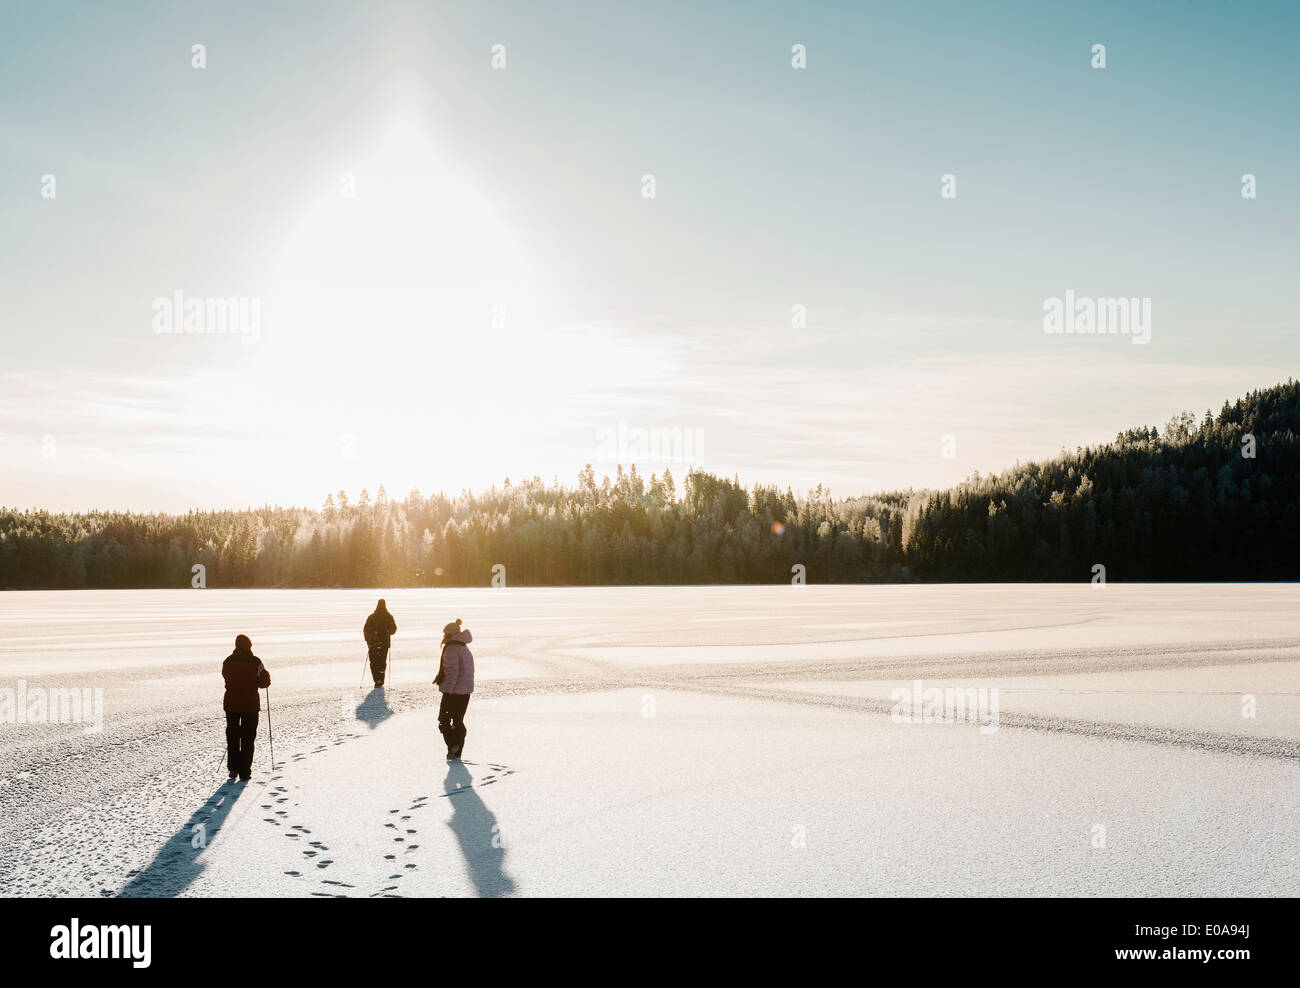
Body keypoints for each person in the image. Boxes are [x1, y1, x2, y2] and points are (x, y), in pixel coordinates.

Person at [222, 634, 270, 782]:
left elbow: (226, 677)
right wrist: (265, 676)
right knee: (248, 738)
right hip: (250, 705)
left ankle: (233, 768)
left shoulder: (228, 661)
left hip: (231, 704)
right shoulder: (256, 662)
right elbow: (263, 683)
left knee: (233, 736)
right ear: (249, 645)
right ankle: (244, 772)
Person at [434, 618, 474, 760]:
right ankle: (457, 752)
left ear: (449, 634)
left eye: (445, 634)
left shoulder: (451, 648)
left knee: (444, 721)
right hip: (465, 692)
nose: (443, 636)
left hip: (453, 692)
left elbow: (452, 673)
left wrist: (448, 692)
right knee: (458, 721)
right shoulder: (463, 647)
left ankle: (453, 745)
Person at [363, 598, 397, 688]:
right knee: (382, 662)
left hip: (373, 644)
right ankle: (380, 680)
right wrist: (387, 631)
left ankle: (377, 679)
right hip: (384, 644)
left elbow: (365, 630)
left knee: (373, 662)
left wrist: (369, 641)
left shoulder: (371, 617)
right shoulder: (389, 617)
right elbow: (394, 629)